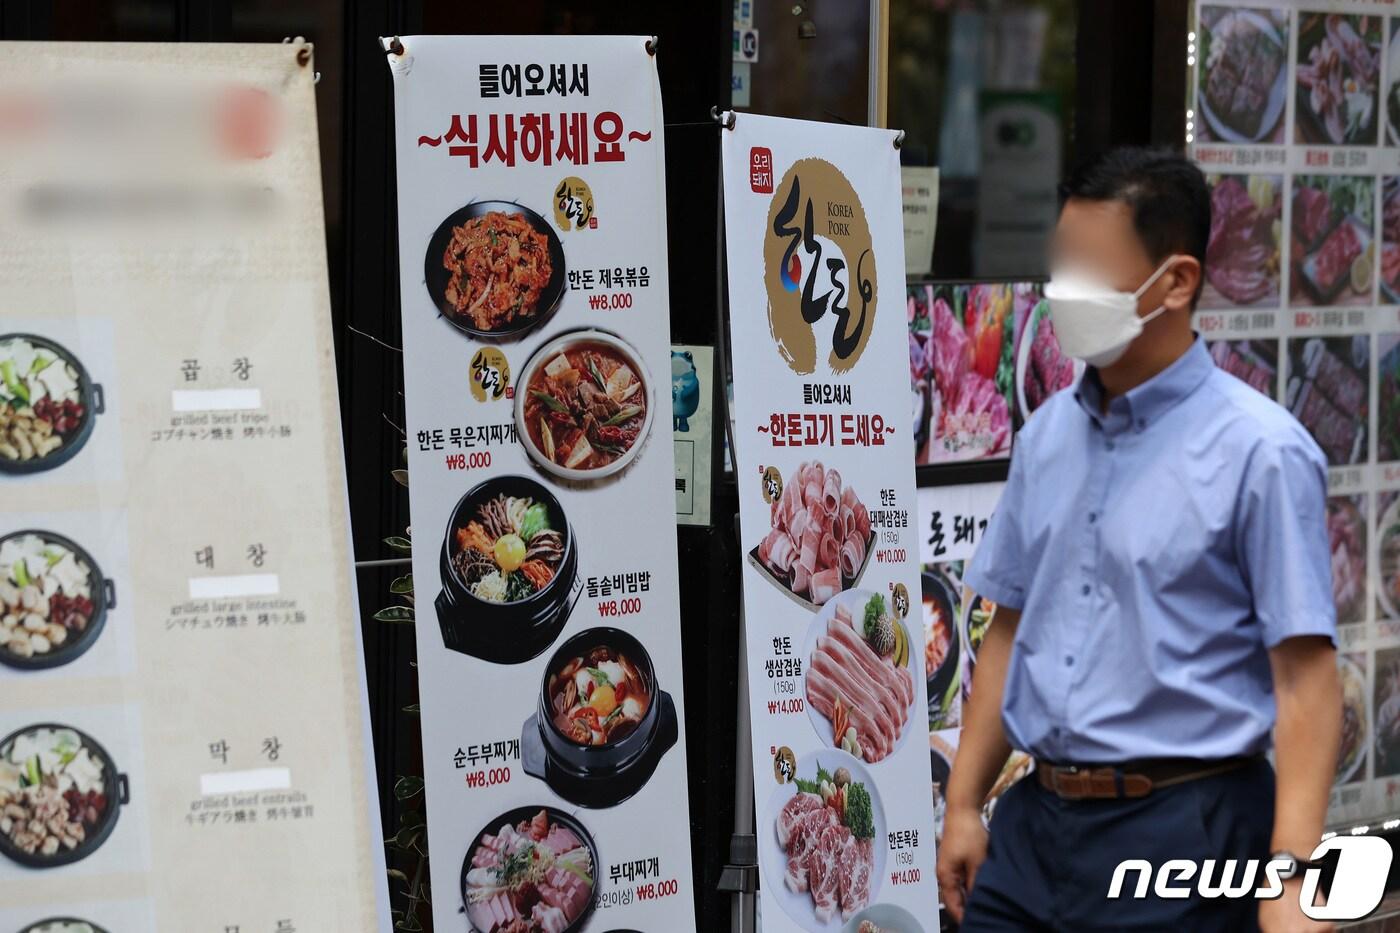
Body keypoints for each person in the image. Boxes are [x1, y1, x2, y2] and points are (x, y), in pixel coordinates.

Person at [935, 147, 1340, 933]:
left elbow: (1305, 681)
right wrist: (962, 802)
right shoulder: (1047, 434)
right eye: (1062, 265)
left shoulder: (1262, 453)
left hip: (1183, 827)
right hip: (1033, 827)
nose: (1063, 292)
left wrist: (1291, 877)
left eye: (1091, 270)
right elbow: (1009, 628)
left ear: (1176, 281)